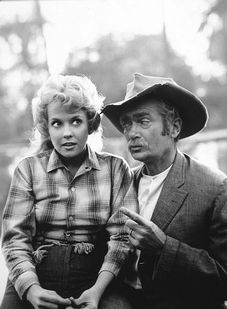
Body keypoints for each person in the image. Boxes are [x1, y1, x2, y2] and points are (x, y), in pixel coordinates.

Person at [1, 74, 137, 309]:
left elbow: (122, 237)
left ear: (91, 124)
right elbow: (15, 239)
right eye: (57, 123)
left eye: (76, 121)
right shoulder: (28, 169)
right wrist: (32, 289)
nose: (67, 132)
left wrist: (96, 292)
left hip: (96, 275)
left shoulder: (115, 168)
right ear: (47, 127)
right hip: (36, 269)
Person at [102, 72, 227, 309]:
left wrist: (164, 247)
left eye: (143, 121)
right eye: (126, 124)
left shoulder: (217, 188)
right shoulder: (119, 183)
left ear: (174, 127)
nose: (131, 133)